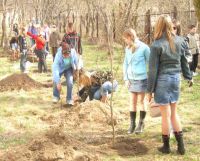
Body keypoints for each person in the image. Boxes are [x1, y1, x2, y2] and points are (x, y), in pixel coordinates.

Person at [147, 15, 193, 155]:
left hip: (162, 81)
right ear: (170, 26)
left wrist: (150, 90)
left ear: (159, 26)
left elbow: (153, 70)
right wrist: (188, 76)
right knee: (174, 113)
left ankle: (166, 147)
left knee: (165, 116)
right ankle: (181, 147)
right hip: (175, 80)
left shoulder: (156, 45)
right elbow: (184, 61)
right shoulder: (180, 41)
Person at [123, 28, 150, 134]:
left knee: (141, 102)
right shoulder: (127, 48)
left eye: (126, 38)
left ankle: (141, 124)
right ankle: (132, 124)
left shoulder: (144, 48)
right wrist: (126, 78)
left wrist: (149, 76)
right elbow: (125, 63)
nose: (125, 40)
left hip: (142, 79)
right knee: (132, 101)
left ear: (130, 37)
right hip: (131, 79)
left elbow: (150, 63)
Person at [52, 42, 78, 106]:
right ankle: (56, 96)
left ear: (70, 53)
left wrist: (77, 69)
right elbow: (55, 70)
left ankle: (69, 99)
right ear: (62, 53)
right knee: (55, 80)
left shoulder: (73, 52)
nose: (66, 56)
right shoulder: (58, 56)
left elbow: (76, 61)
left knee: (70, 82)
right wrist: (58, 82)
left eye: (68, 55)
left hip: (69, 69)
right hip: (60, 68)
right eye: (64, 55)